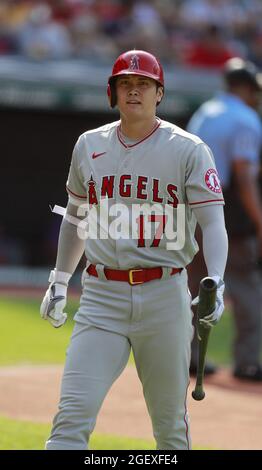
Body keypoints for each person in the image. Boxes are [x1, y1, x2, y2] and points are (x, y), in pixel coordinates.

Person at [40, 49, 228, 450]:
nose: (134, 91)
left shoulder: (189, 149)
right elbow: (76, 216)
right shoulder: (88, 144)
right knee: (70, 420)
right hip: (101, 296)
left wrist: (217, 281)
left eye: (143, 84)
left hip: (164, 295)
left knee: (170, 430)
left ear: (159, 93)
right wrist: (59, 280)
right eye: (125, 83)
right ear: (113, 92)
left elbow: (213, 223)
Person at [187, 57, 262, 381]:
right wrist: (259, 220)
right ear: (246, 88)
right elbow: (243, 176)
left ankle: (187, 357)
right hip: (228, 209)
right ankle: (246, 362)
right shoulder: (245, 118)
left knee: (193, 286)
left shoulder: (205, 111)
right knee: (245, 286)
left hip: (191, 208)